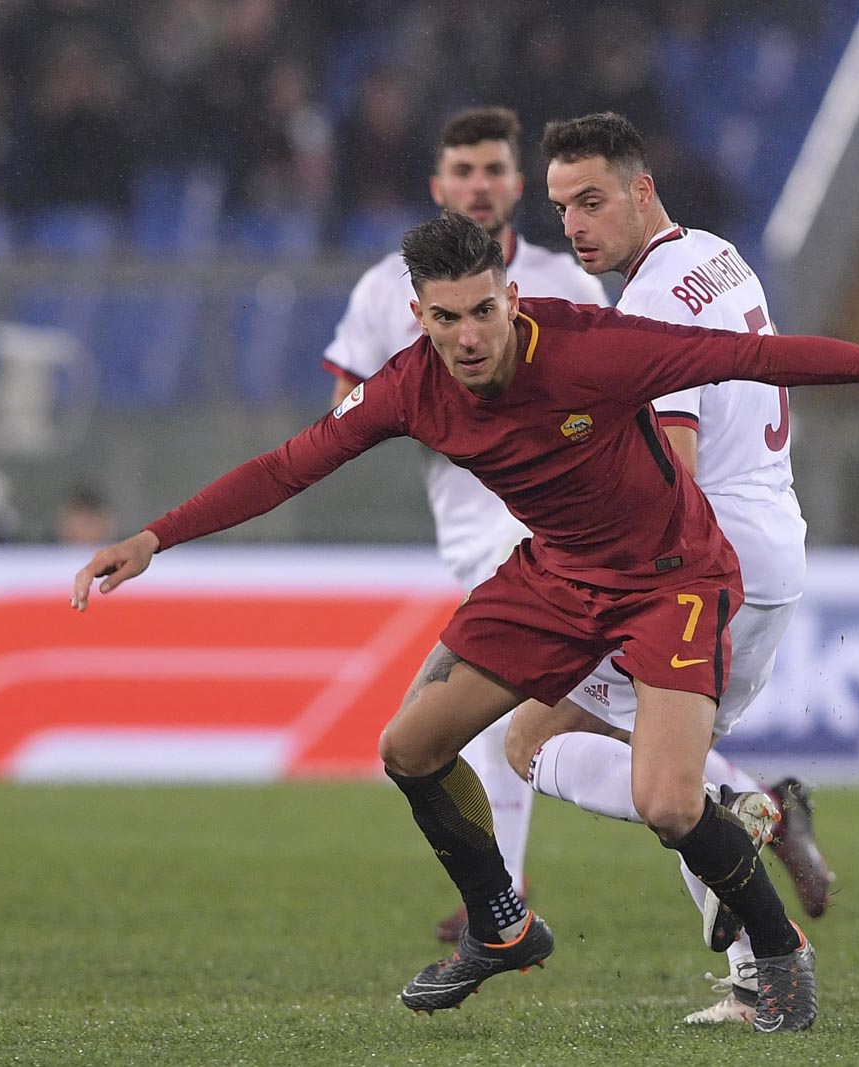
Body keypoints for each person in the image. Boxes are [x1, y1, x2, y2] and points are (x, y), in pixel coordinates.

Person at [72, 211, 859, 1033]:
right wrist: (156, 536)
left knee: (669, 802)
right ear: (419, 317)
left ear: (510, 296)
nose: (469, 335)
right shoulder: (408, 386)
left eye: (484, 310)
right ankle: (501, 924)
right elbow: (287, 465)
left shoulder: (591, 347)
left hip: (672, 577)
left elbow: (753, 358)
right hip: (554, 577)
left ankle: (777, 948)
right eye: (447, 318)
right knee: (409, 746)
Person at [499, 110, 832, 1027]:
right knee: (666, 761)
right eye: (561, 207)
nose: (575, 225)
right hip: (772, 552)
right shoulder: (717, 254)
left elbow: (670, 469)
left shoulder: (649, 305)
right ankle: (759, 969)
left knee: (533, 742)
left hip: (708, 563)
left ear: (642, 191)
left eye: (593, 201)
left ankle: (740, 806)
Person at [322, 105, 607, 945]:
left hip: (548, 530)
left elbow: (615, 393)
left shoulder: (564, 282)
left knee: (488, 705)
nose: (479, 186)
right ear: (438, 184)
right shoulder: (385, 292)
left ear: (519, 185)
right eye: (463, 171)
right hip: (470, 529)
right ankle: (746, 803)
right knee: (595, 709)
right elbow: (343, 406)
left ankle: (502, 897)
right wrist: (426, 411)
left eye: (493, 170)